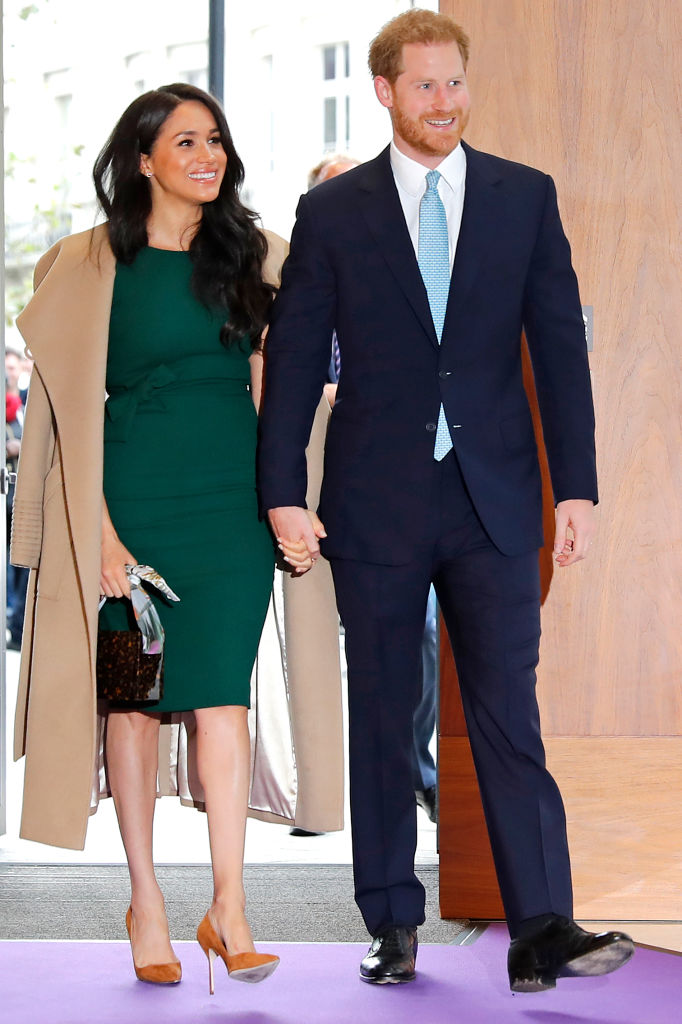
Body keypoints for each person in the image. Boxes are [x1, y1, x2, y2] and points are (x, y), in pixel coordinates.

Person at [258, 9, 634, 993]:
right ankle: (390, 920)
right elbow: (295, 355)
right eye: (422, 85)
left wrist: (578, 488)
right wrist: (280, 494)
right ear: (384, 91)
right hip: (372, 503)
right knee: (384, 712)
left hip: (495, 501)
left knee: (509, 710)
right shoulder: (335, 215)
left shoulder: (522, 197)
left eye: (454, 82)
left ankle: (540, 926)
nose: (443, 102)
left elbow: (558, 351)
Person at [10, 83, 342, 993]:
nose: (209, 156)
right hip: (129, 506)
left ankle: (230, 907)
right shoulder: (84, 265)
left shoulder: (258, 257)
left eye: (217, 141)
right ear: (143, 157)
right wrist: (102, 538)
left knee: (220, 700)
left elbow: (281, 395)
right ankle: (146, 901)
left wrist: (289, 498)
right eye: (186, 141)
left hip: (230, 510)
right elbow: (74, 415)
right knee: (133, 703)